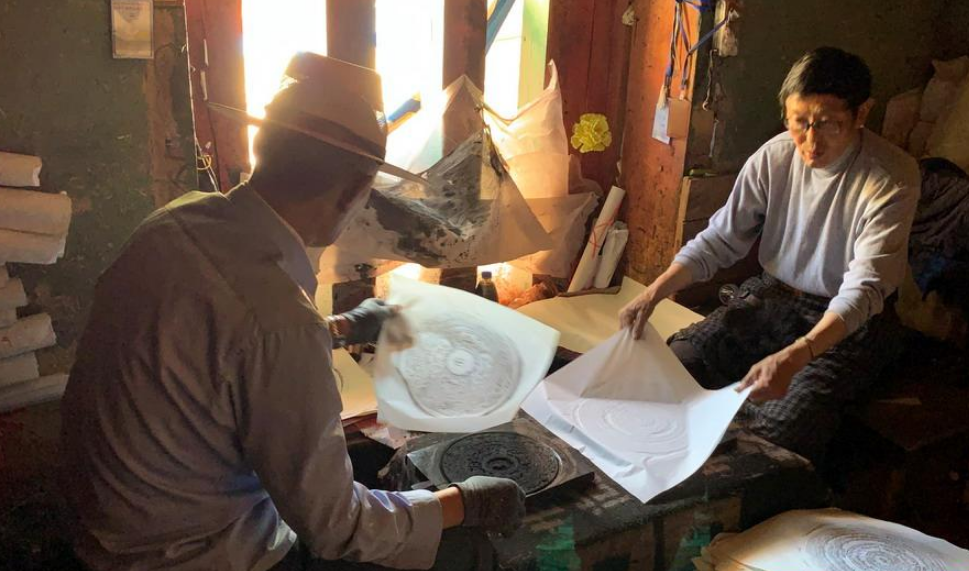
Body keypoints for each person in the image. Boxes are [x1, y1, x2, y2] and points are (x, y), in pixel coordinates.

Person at [60, 52, 524, 571]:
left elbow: (213, 352)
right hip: (197, 555)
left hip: (107, 530)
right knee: (463, 551)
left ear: (263, 147)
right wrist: (463, 502)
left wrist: (341, 327)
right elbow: (338, 527)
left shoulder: (175, 223)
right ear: (352, 193)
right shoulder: (278, 319)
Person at [620, 47, 921, 464]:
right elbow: (722, 238)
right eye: (799, 122)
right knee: (671, 368)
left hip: (847, 321)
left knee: (779, 430)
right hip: (773, 297)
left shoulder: (890, 176)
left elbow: (864, 290)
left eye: (828, 124)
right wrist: (653, 293)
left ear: (862, 113)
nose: (811, 142)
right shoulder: (775, 156)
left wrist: (798, 355)